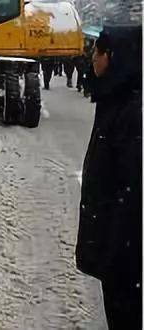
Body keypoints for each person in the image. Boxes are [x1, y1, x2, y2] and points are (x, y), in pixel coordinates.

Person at [76, 25, 143, 329]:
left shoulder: (132, 113)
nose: (92, 57)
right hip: (119, 249)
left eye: (98, 51)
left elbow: (134, 194)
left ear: (114, 57)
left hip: (128, 256)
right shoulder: (115, 101)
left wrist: (118, 253)